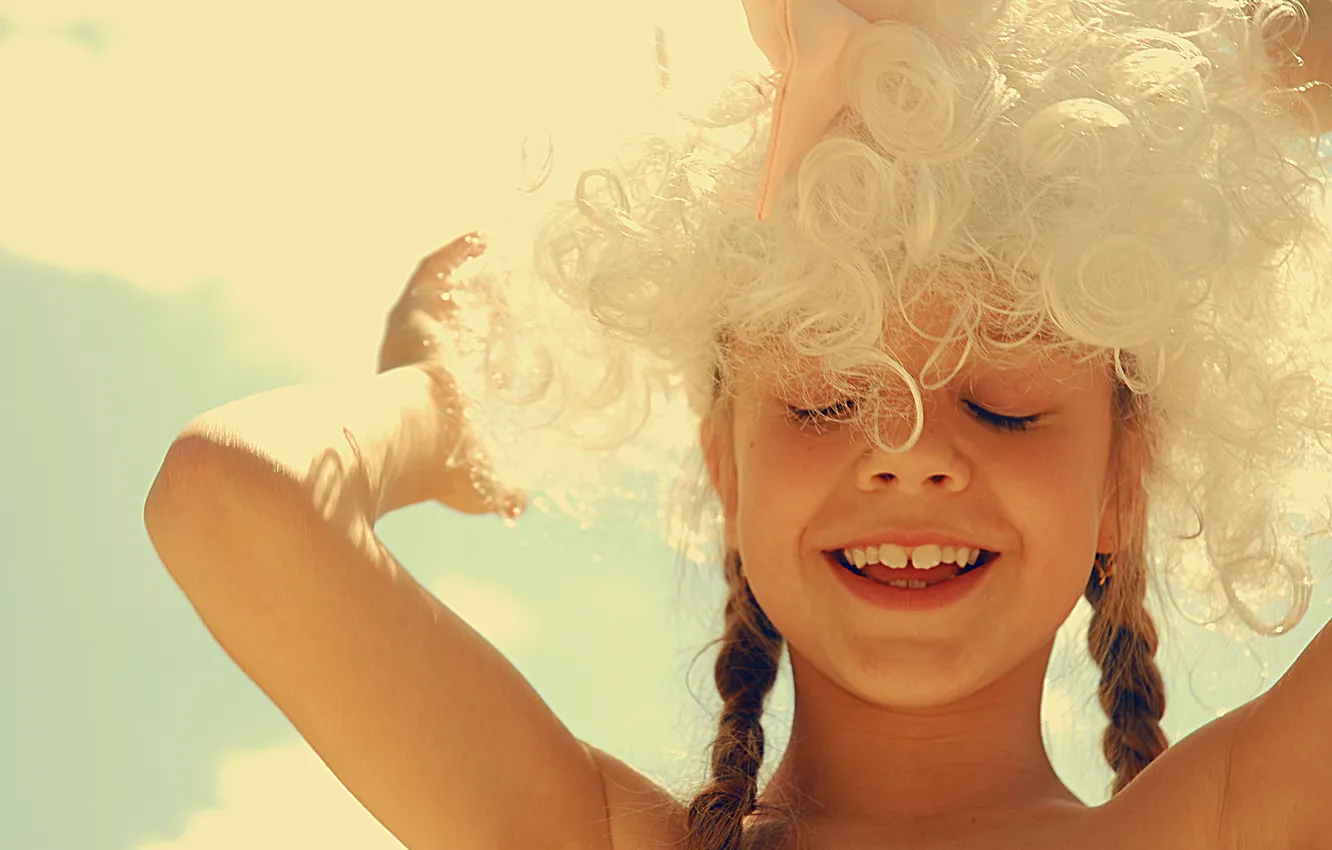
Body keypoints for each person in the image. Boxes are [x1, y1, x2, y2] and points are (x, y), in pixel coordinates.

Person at [144, 0, 1332, 848]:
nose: (910, 452)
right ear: (723, 463)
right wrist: (443, 405)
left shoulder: (1237, 820)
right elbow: (226, 498)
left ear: (1125, 481)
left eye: (1004, 405)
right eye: (825, 398)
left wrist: (1227, 63)